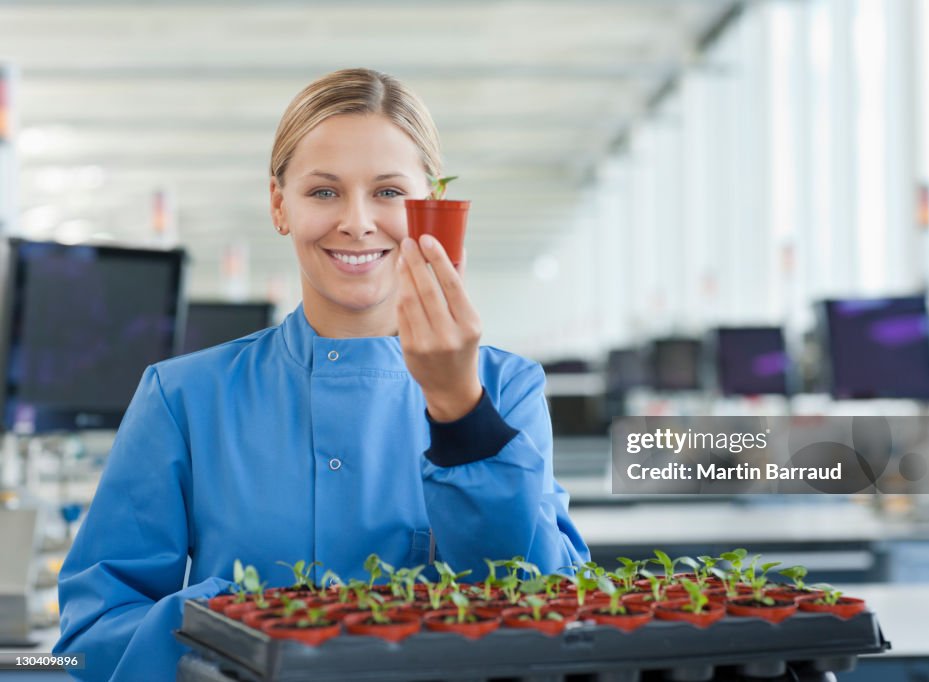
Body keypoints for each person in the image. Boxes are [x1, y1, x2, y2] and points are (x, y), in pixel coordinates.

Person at [53, 68, 590, 681]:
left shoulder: (505, 391)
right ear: (280, 205)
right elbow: (89, 639)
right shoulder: (182, 398)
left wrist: (458, 407)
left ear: (429, 207)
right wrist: (241, 629)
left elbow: (550, 618)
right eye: (324, 192)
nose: (357, 222)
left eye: (388, 192)